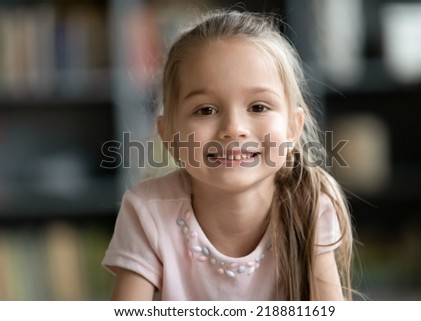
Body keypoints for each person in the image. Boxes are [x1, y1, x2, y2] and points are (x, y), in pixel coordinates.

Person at [102, 10, 354, 301]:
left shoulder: (309, 204)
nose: (234, 129)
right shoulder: (146, 211)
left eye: (258, 107)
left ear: (292, 128)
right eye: (205, 110)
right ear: (169, 134)